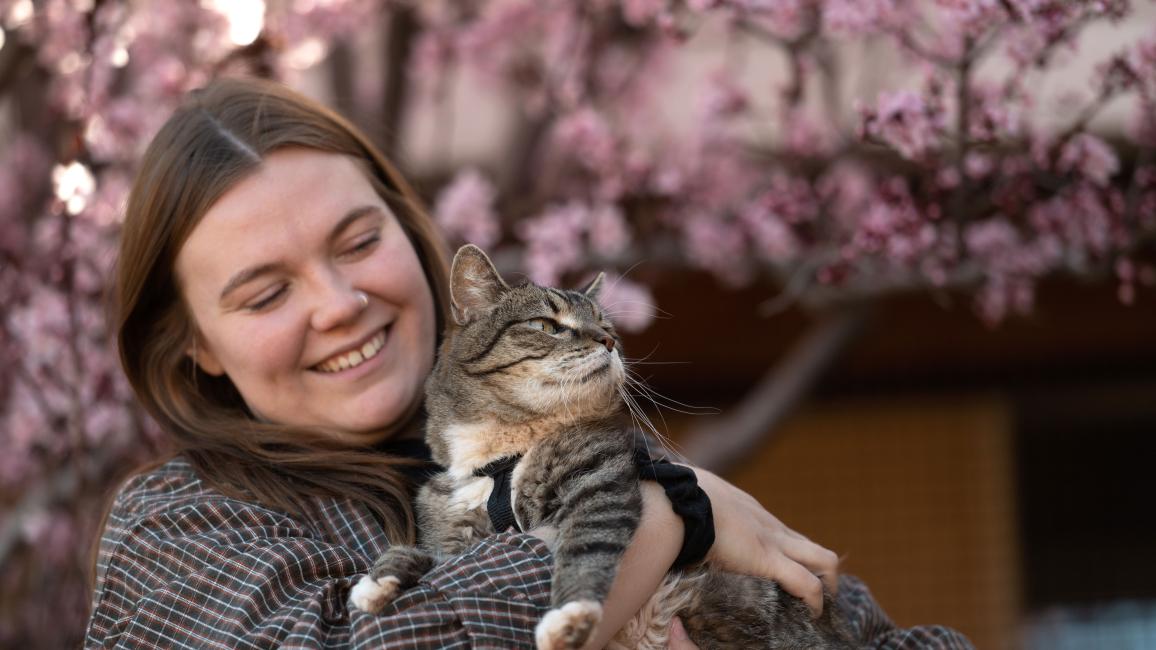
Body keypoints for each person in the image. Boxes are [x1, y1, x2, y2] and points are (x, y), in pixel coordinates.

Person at [85, 76, 972, 649]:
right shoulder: (180, 527)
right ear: (193, 344)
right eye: (265, 294)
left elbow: (856, 627)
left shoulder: (562, 437)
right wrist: (659, 520)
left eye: (358, 242)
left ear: (408, 227)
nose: (338, 302)